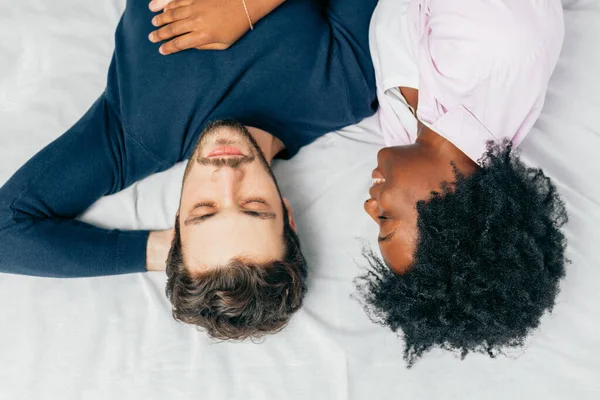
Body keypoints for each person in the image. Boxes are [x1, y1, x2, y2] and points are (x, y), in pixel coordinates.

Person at [0, 0, 377, 340]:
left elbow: (6, 232)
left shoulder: (135, 134)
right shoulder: (343, 87)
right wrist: (247, 7)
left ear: (178, 221)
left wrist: (165, 252)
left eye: (205, 210)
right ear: (288, 216)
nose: (226, 174)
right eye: (253, 205)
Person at [357, 0, 569, 366]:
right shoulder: (500, 47)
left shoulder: (403, 138)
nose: (369, 206)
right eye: (386, 221)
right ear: (453, 207)